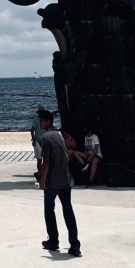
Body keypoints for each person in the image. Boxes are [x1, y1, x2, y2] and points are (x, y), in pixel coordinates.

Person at [38, 109, 81, 256]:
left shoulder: (46, 138)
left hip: (53, 182)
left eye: (42, 120)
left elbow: (46, 162)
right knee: (68, 209)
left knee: (49, 209)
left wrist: (43, 180)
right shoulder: (59, 135)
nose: (40, 123)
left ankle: (53, 241)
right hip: (65, 179)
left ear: (48, 121)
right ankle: (75, 244)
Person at [30, 106, 47, 180]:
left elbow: (52, 114)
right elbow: (32, 130)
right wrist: (33, 140)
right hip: (38, 140)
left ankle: (43, 172)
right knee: (39, 159)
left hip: (45, 139)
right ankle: (39, 172)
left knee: (46, 157)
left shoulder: (45, 119)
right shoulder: (35, 120)